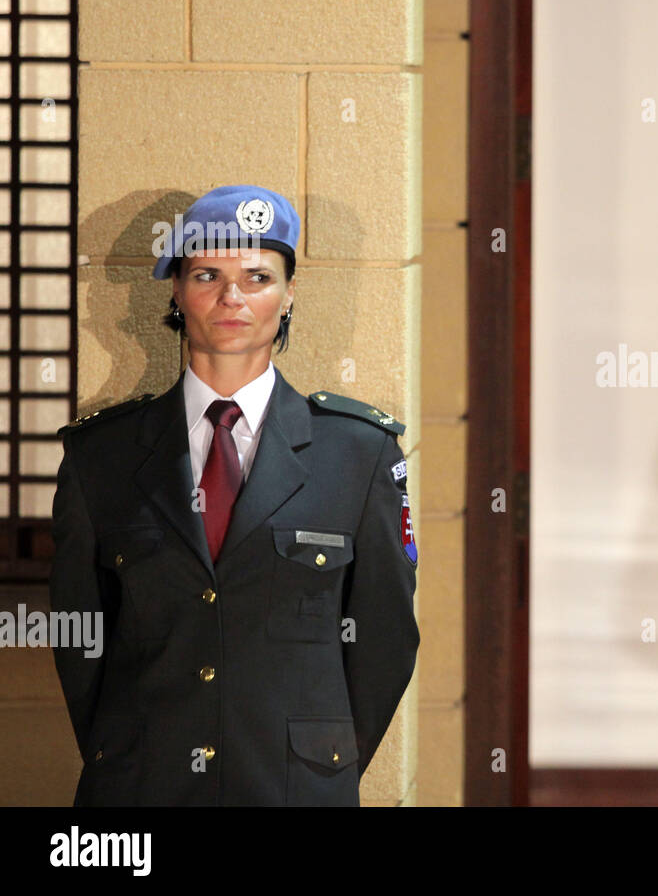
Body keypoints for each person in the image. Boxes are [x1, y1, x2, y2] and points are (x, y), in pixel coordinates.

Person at [49, 185, 420, 806]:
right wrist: (121, 749)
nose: (232, 297)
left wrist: (324, 763)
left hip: (294, 789)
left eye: (257, 276)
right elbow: (79, 631)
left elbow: (384, 637)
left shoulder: (359, 453)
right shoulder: (101, 457)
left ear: (290, 292)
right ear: (176, 291)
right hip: (139, 790)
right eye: (206, 275)